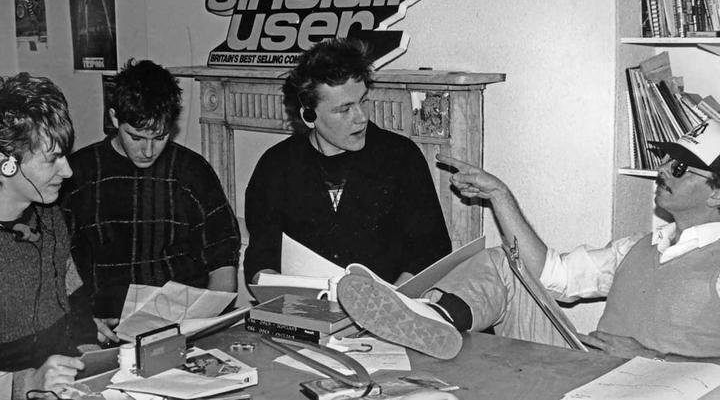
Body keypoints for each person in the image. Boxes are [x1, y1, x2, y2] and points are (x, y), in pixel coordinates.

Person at [337, 120, 720, 362]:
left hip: (661, 390)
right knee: (506, 263)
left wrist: (650, 357)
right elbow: (552, 276)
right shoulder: (636, 247)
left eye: (679, 167)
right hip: (591, 370)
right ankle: (431, 321)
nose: (662, 170)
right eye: (665, 158)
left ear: (716, 194)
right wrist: (500, 195)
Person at [243, 38, 451, 287]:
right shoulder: (276, 166)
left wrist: (390, 300)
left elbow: (431, 251)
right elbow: (260, 259)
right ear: (309, 115)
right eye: (345, 109)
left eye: (363, 101)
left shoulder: (401, 156)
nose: (361, 117)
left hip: (392, 302)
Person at [62, 59, 241, 342]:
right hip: (104, 331)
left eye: (159, 137)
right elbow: (57, 266)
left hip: (184, 328)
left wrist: (205, 323)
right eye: (136, 137)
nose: (148, 150)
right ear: (114, 118)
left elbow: (222, 259)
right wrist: (81, 322)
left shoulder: (192, 172)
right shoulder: (78, 175)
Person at [0, 73, 89, 398]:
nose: (68, 171)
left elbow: (71, 288)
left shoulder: (50, 214)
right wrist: (27, 384)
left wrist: (91, 355)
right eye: (52, 159)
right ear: (6, 164)